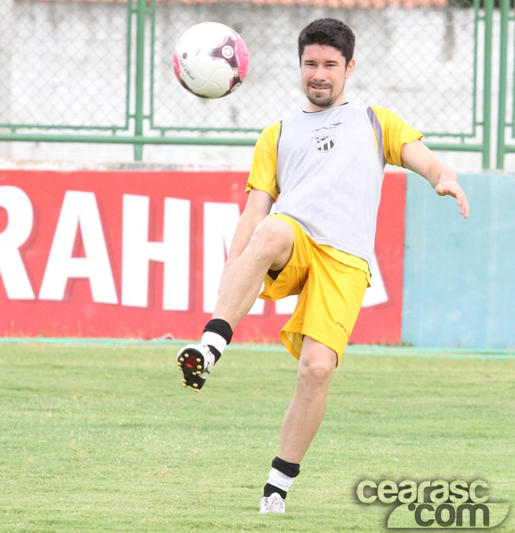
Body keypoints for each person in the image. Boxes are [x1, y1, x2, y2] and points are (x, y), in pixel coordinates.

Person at [175, 18, 469, 514]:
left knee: (316, 369)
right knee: (270, 230)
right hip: (296, 241)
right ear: (300, 66)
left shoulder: (376, 120)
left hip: (346, 262)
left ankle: (276, 487)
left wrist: (443, 178)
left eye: (330, 64)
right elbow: (255, 209)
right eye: (311, 63)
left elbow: (427, 159)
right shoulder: (277, 134)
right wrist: (236, 264)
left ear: (349, 68)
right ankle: (210, 346)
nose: (319, 73)